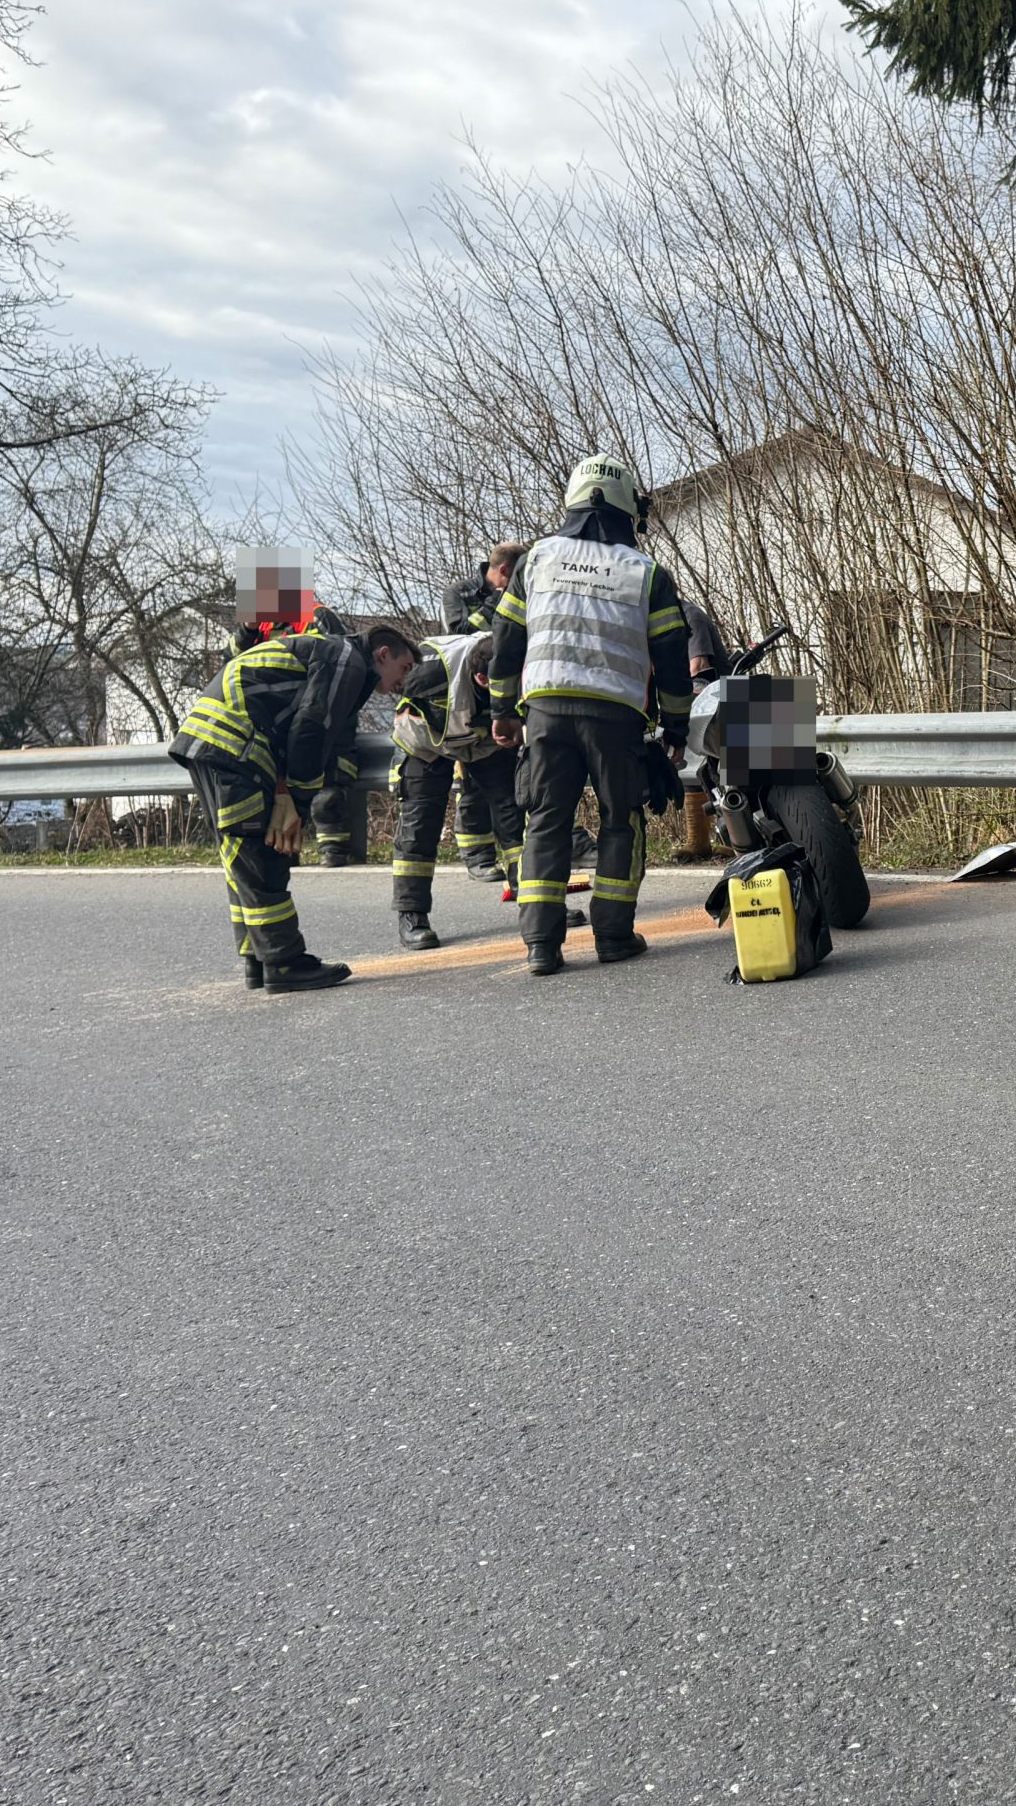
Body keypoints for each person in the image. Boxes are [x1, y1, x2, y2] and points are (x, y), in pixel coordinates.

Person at [489, 453, 693, 975]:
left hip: (546, 712)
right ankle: (613, 936)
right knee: (621, 820)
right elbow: (672, 654)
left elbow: (506, 639)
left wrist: (503, 710)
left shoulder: (536, 559)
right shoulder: (646, 572)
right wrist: (675, 725)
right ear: (628, 507)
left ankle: (541, 945)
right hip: (616, 716)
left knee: (546, 821)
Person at [170, 621, 417, 992]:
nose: (404, 680)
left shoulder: (331, 653)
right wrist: (296, 801)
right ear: (383, 654)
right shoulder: (348, 661)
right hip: (236, 744)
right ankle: (284, 962)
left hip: (215, 741)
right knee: (263, 854)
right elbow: (312, 727)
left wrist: (287, 793)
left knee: (241, 853)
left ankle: (258, 957)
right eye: (405, 667)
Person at [390, 633, 526, 949]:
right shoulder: (429, 672)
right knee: (419, 826)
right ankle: (412, 917)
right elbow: (391, 685)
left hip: (482, 743)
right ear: (482, 678)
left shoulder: (513, 662)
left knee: (513, 812)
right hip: (426, 744)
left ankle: (536, 901)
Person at [441, 543, 527, 880]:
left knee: (510, 778)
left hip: (510, 688)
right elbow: (459, 633)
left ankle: (517, 856)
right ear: (505, 571)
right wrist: (498, 600)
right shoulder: (459, 593)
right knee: (473, 780)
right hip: (470, 694)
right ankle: (478, 854)